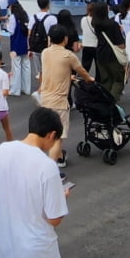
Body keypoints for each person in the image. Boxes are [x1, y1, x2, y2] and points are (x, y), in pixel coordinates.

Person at [0, 107, 71, 258]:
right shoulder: (47, 167)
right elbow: (54, 218)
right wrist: (61, 197)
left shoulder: (3, 150)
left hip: (5, 252)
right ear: (51, 135)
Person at [39, 26, 93, 167]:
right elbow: (81, 70)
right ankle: (53, 165)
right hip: (59, 101)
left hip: (45, 98)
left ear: (50, 39)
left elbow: (54, 70)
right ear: (65, 39)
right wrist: (89, 79)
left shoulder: (45, 53)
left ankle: (59, 156)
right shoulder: (68, 55)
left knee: (48, 132)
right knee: (57, 137)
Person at [89, 3, 126, 102]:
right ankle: (111, 102)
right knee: (118, 80)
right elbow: (120, 43)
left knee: (106, 80)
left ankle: (104, 100)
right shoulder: (113, 24)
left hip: (100, 54)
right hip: (113, 56)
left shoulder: (96, 25)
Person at [25, 0, 56, 96]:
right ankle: (49, 90)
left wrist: (29, 48)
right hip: (48, 49)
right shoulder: (52, 18)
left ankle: (42, 89)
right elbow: (54, 35)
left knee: (40, 71)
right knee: (50, 70)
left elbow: (29, 35)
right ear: (48, 4)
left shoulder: (33, 17)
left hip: (35, 48)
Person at [8, 1, 30, 95]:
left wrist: (6, 26)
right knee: (26, 66)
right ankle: (26, 89)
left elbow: (11, 31)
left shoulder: (13, 17)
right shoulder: (25, 15)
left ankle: (15, 90)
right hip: (25, 44)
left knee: (16, 67)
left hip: (15, 44)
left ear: (12, 6)